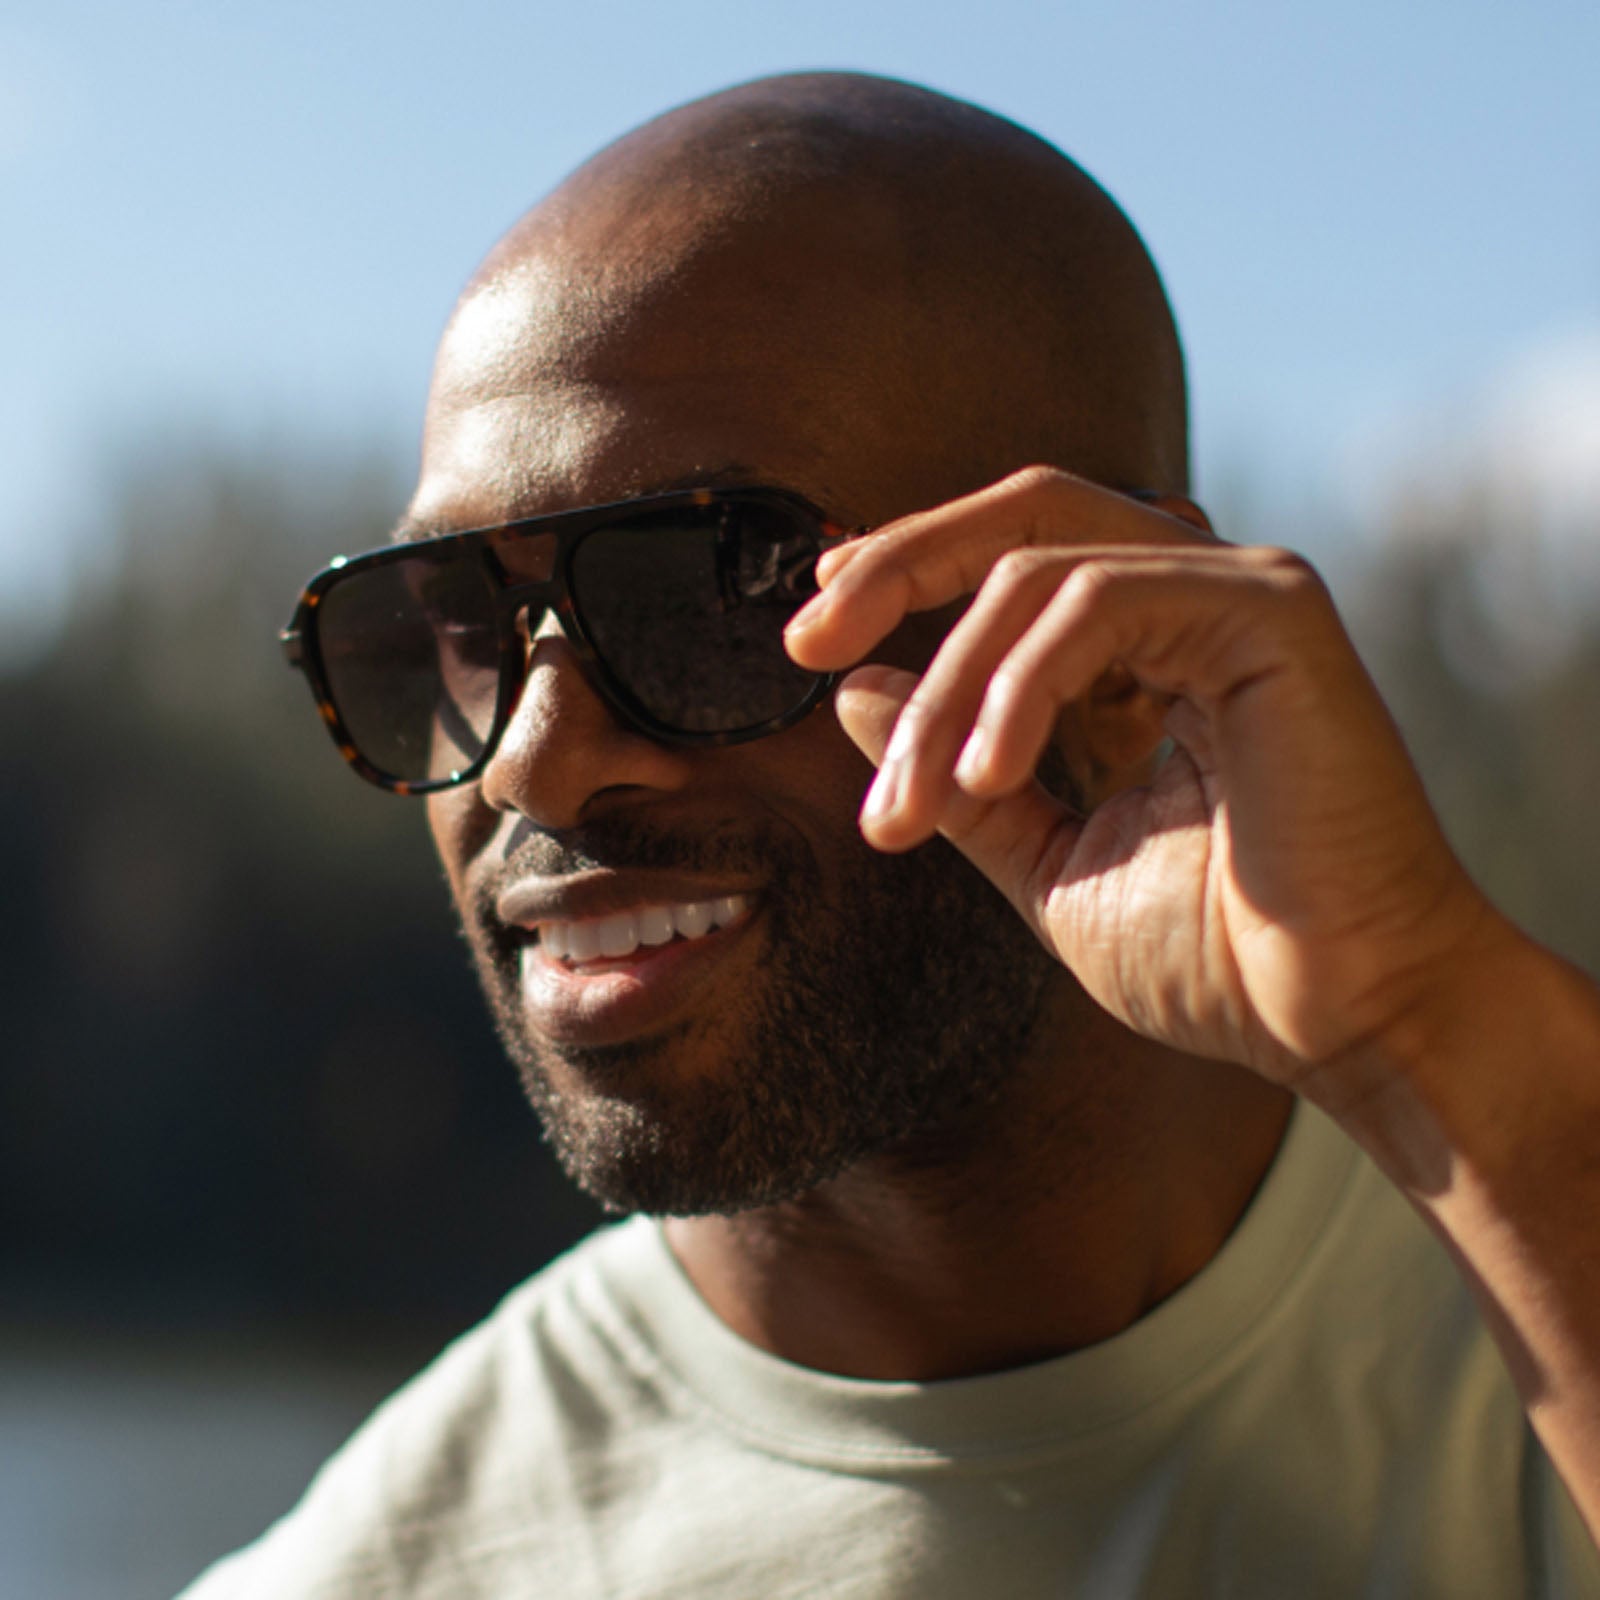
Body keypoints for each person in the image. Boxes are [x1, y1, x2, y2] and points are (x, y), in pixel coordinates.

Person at [181, 72, 1600, 1597]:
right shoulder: (385, 1572)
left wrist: (1420, 1020)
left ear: (1117, 656)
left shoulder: (1540, 1258)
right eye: (458, 627)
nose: (535, 761)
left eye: (716, 588)